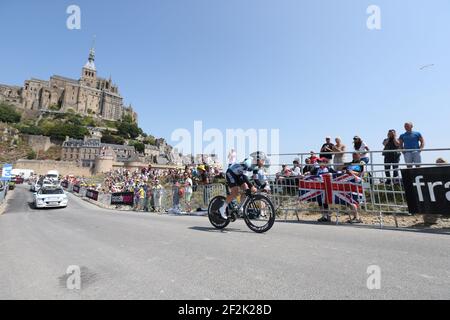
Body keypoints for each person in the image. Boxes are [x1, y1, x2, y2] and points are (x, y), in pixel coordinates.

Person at [218, 156, 259, 220]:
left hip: (239, 175)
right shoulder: (249, 162)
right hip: (231, 173)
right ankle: (222, 208)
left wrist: (262, 186)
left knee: (246, 190)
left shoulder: (256, 167)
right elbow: (245, 177)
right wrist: (252, 186)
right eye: (262, 161)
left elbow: (256, 179)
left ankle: (240, 208)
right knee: (235, 192)